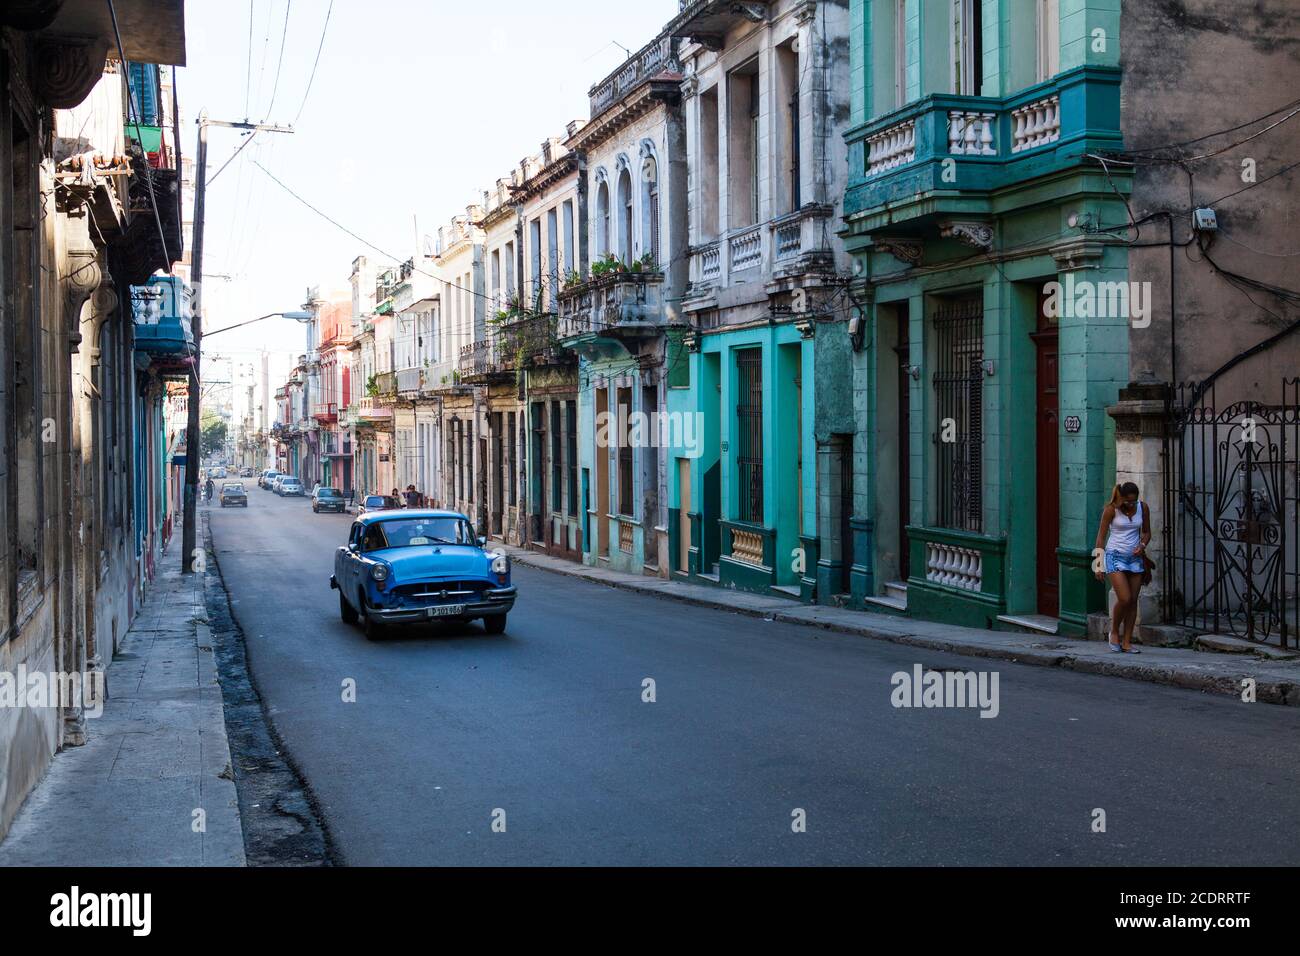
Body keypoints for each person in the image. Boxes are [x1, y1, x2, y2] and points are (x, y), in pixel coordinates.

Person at [1093, 481, 1151, 654]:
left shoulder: (1143, 508)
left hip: (1135, 558)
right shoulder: (1111, 509)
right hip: (1114, 556)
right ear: (1122, 497)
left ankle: (1127, 642)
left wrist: (1142, 545)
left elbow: (1147, 532)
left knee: (1133, 602)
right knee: (1124, 598)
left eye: (1134, 502)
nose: (1131, 505)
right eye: (1128, 501)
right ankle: (1114, 632)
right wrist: (1097, 565)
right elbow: (1100, 538)